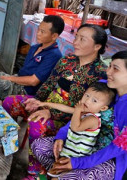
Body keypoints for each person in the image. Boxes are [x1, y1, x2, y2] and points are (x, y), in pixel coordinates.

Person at [2, 24, 108, 179]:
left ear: (97, 46)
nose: (75, 42)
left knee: (37, 124)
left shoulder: (100, 74)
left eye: (82, 39)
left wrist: (49, 111)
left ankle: (36, 173)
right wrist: (36, 101)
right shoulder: (67, 61)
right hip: (46, 104)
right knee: (9, 102)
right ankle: (6, 151)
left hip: (69, 118)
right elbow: (49, 84)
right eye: (76, 37)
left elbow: (87, 110)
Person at [32, 50, 127, 179]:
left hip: (108, 158)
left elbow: (117, 148)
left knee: (70, 177)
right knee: (39, 147)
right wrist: (62, 135)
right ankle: (58, 173)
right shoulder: (104, 87)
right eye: (109, 66)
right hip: (79, 142)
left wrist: (78, 163)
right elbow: (80, 111)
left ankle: (63, 175)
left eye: (115, 69)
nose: (108, 72)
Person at [31, 82, 115, 177]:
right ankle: (52, 172)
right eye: (87, 95)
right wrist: (44, 103)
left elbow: (75, 127)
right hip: (68, 150)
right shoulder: (85, 112)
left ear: (103, 108)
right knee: (38, 147)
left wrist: (78, 111)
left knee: (62, 174)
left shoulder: (93, 119)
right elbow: (64, 108)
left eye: (94, 101)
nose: (87, 101)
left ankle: (56, 174)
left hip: (77, 157)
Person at [0, 15, 64, 101]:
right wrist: (11, 78)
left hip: (25, 90)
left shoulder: (54, 55)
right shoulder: (35, 47)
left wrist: (10, 79)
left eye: (42, 32)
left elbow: (33, 81)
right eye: (38, 29)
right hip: (18, 79)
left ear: (54, 36)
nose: (38, 34)